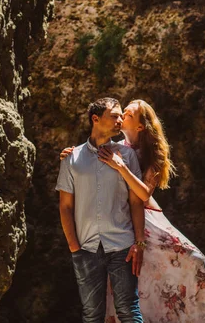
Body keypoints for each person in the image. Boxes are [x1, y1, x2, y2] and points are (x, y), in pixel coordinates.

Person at [62, 99, 205, 322]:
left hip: (147, 218)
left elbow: (144, 194)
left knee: (194, 258)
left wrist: (121, 167)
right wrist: (71, 154)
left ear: (140, 126)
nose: (121, 116)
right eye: (119, 113)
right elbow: (88, 156)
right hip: (118, 219)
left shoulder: (151, 153)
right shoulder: (116, 147)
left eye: (127, 114)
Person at [56, 97, 147, 323]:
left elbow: (137, 202)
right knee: (92, 315)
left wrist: (138, 242)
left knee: (128, 311)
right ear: (96, 119)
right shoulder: (72, 158)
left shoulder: (127, 156)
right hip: (85, 248)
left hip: (122, 245)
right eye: (114, 116)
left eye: (121, 116)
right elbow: (65, 207)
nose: (119, 120)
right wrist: (74, 247)